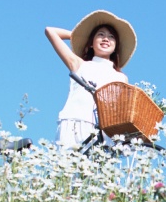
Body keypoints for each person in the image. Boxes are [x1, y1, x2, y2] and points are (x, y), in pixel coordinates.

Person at [45, 9, 137, 149]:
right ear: (91, 43)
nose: (106, 39)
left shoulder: (121, 77)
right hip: (72, 123)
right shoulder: (79, 64)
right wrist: (79, 37)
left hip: (101, 131)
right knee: (66, 168)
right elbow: (50, 31)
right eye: (100, 35)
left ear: (116, 46)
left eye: (111, 37)